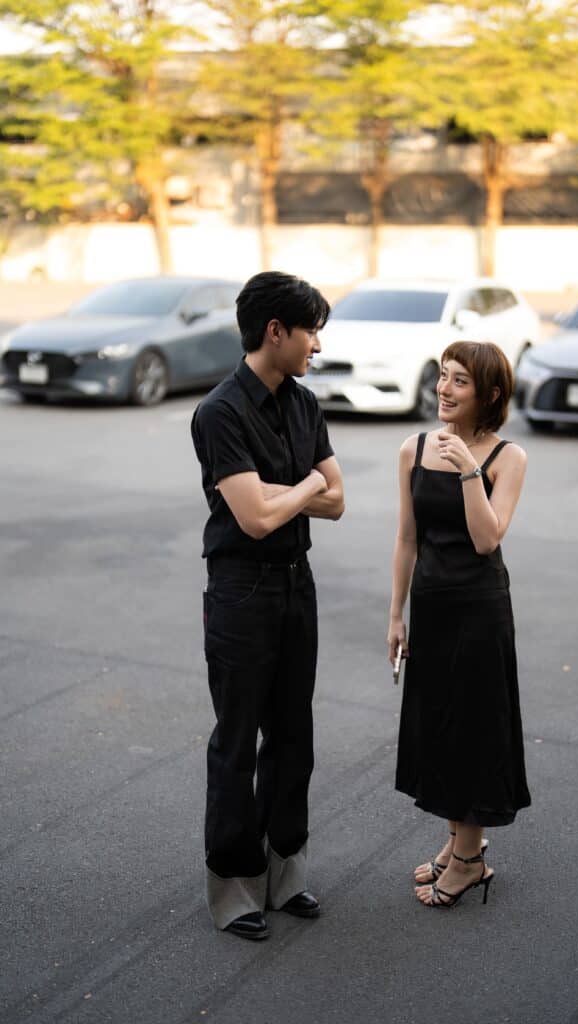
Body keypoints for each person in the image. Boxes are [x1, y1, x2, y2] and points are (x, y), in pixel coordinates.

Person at [191, 271, 344, 941]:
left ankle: (286, 875)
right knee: (237, 743)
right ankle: (233, 889)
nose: (317, 344)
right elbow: (253, 519)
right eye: (310, 331)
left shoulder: (305, 403)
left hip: (295, 582)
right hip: (240, 588)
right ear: (275, 331)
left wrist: (297, 490)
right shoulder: (220, 411)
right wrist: (308, 479)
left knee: (293, 737)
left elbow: (338, 503)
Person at [387, 340, 531, 910]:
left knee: (472, 727)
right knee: (439, 725)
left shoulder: (507, 458)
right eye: (443, 377)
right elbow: (406, 537)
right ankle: (457, 841)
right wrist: (396, 614)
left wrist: (470, 469)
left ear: (489, 394)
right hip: (432, 609)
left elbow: (485, 538)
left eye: (460, 382)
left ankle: (470, 860)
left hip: (479, 609)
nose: (445, 389)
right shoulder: (412, 448)